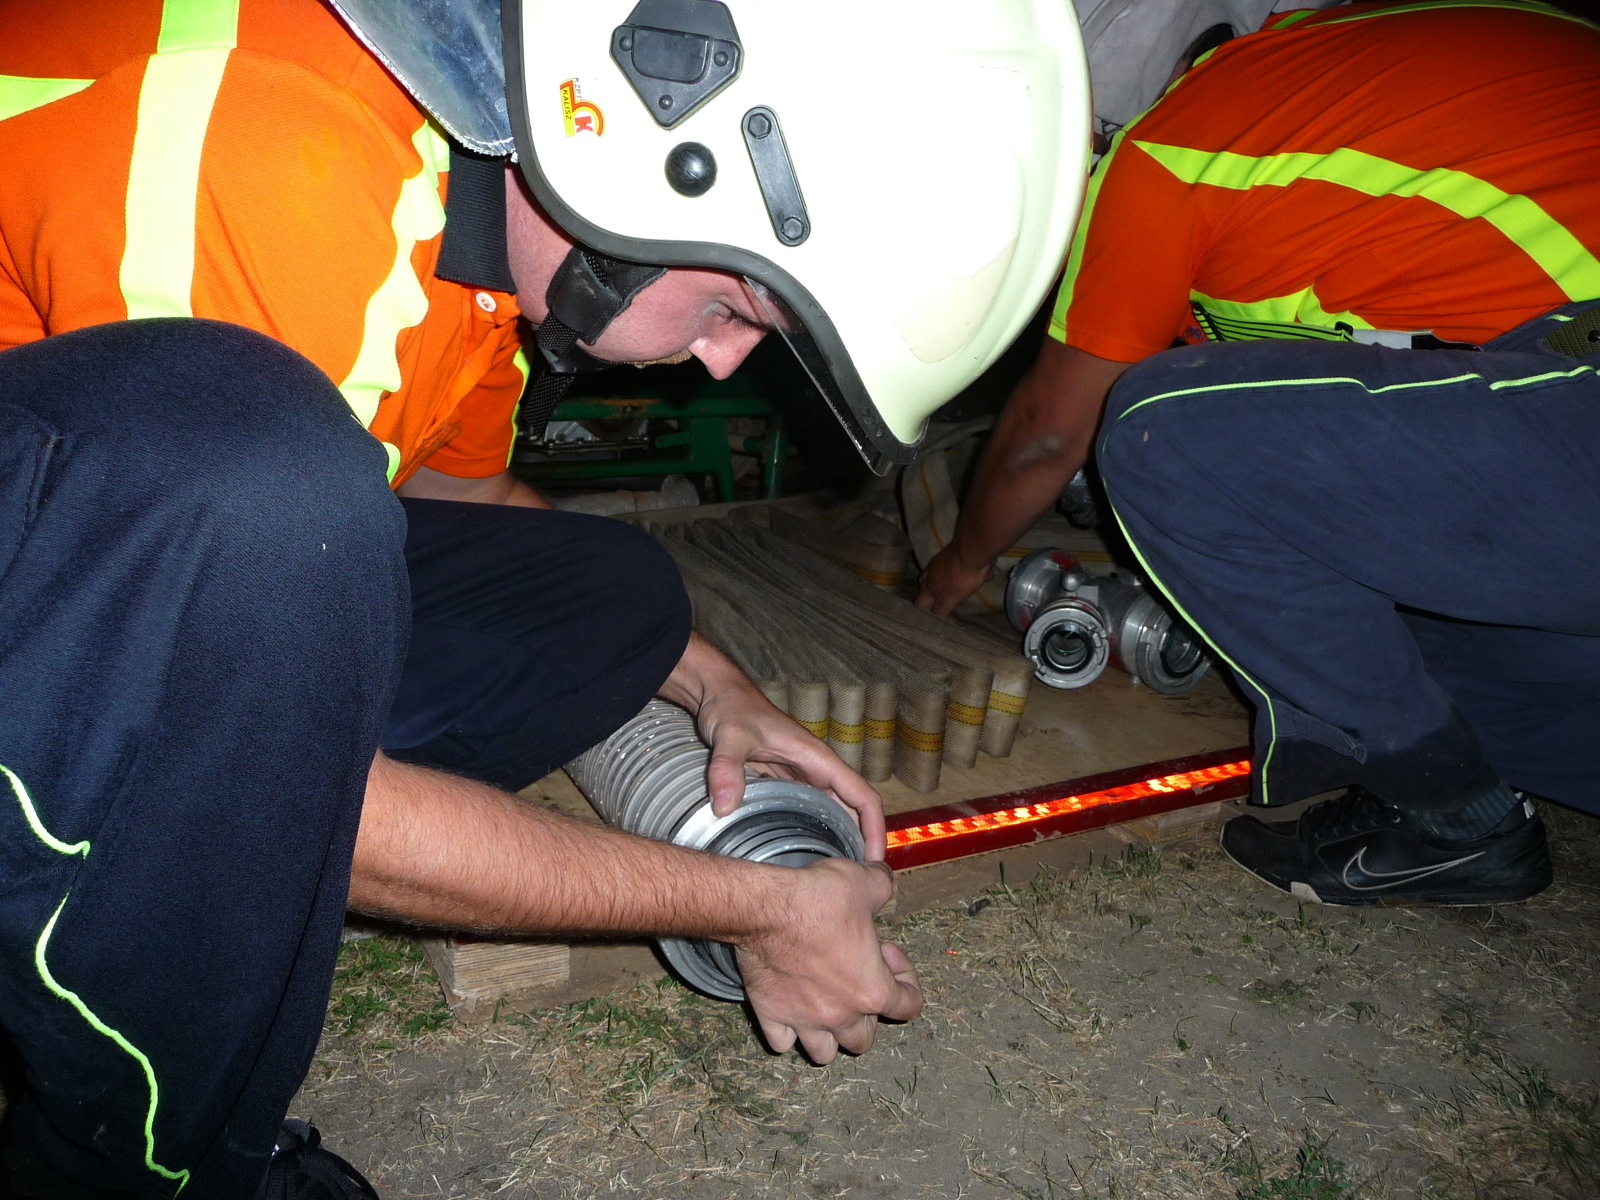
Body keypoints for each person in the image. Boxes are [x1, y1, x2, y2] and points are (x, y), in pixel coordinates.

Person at [0, 0, 1088, 1195]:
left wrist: (717, 687)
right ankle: (149, 1165)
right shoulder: (277, 156)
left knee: (617, 589)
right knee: (272, 566)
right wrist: (756, 906)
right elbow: (254, 766)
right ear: (640, 159)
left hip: (86, 557)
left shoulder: (462, 233)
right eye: (733, 308)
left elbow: (469, 497)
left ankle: (304, 848)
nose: (724, 360)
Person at [919, 0, 1600, 908]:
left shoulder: (1168, 151)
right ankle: (1467, 781)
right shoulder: (1333, 98)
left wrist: (958, 568)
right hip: (1560, 445)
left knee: (1162, 432)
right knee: (1407, 660)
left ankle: (1455, 820)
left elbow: (1049, 431)